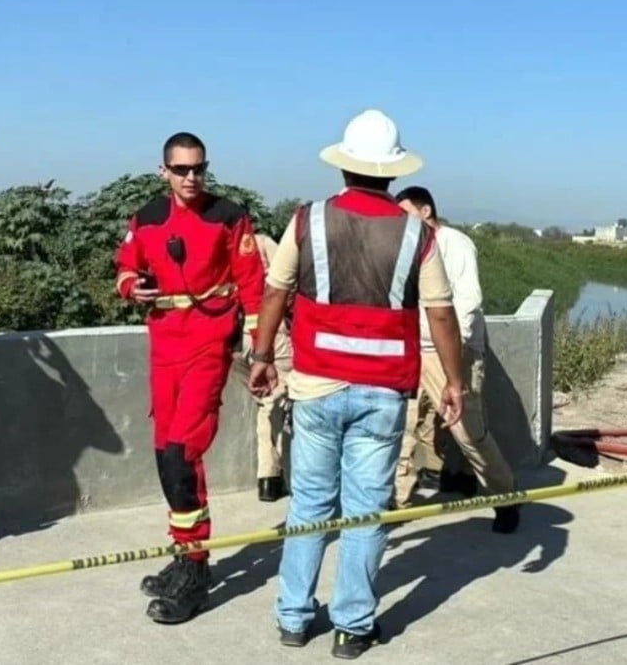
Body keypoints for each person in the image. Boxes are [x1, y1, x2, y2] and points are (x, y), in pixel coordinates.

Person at [248, 109, 465, 659]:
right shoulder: (418, 233)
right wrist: (455, 381)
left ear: (344, 166)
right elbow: (441, 313)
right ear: (393, 171)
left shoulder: (308, 220)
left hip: (316, 384)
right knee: (366, 511)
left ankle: (294, 618)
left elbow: (275, 291)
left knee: (310, 506)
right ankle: (352, 626)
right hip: (384, 391)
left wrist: (262, 356)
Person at [114, 131, 265, 624]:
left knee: (184, 452)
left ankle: (196, 572)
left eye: (198, 168)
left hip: (208, 342)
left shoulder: (228, 216)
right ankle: (184, 553)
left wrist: (259, 351)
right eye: (181, 169)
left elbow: (253, 284)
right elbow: (126, 266)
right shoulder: (147, 218)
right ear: (164, 171)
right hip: (165, 345)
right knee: (165, 455)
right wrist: (132, 286)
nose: (191, 177)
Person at [390, 186, 520, 533]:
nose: (400, 221)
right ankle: (395, 502)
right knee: (401, 426)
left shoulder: (455, 244)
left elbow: (467, 300)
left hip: (449, 352)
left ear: (426, 211)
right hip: (412, 350)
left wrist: (455, 357)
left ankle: (505, 496)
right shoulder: (406, 246)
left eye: (406, 213)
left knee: (467, 431)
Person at [234, 233, 294, 502]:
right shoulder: (260, 242)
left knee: (265, 404)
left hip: (234, 337)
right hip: (267, 331)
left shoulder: (216, 244)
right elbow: (286, 282)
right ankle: (286, 477)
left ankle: (268, 478)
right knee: (281, 402)